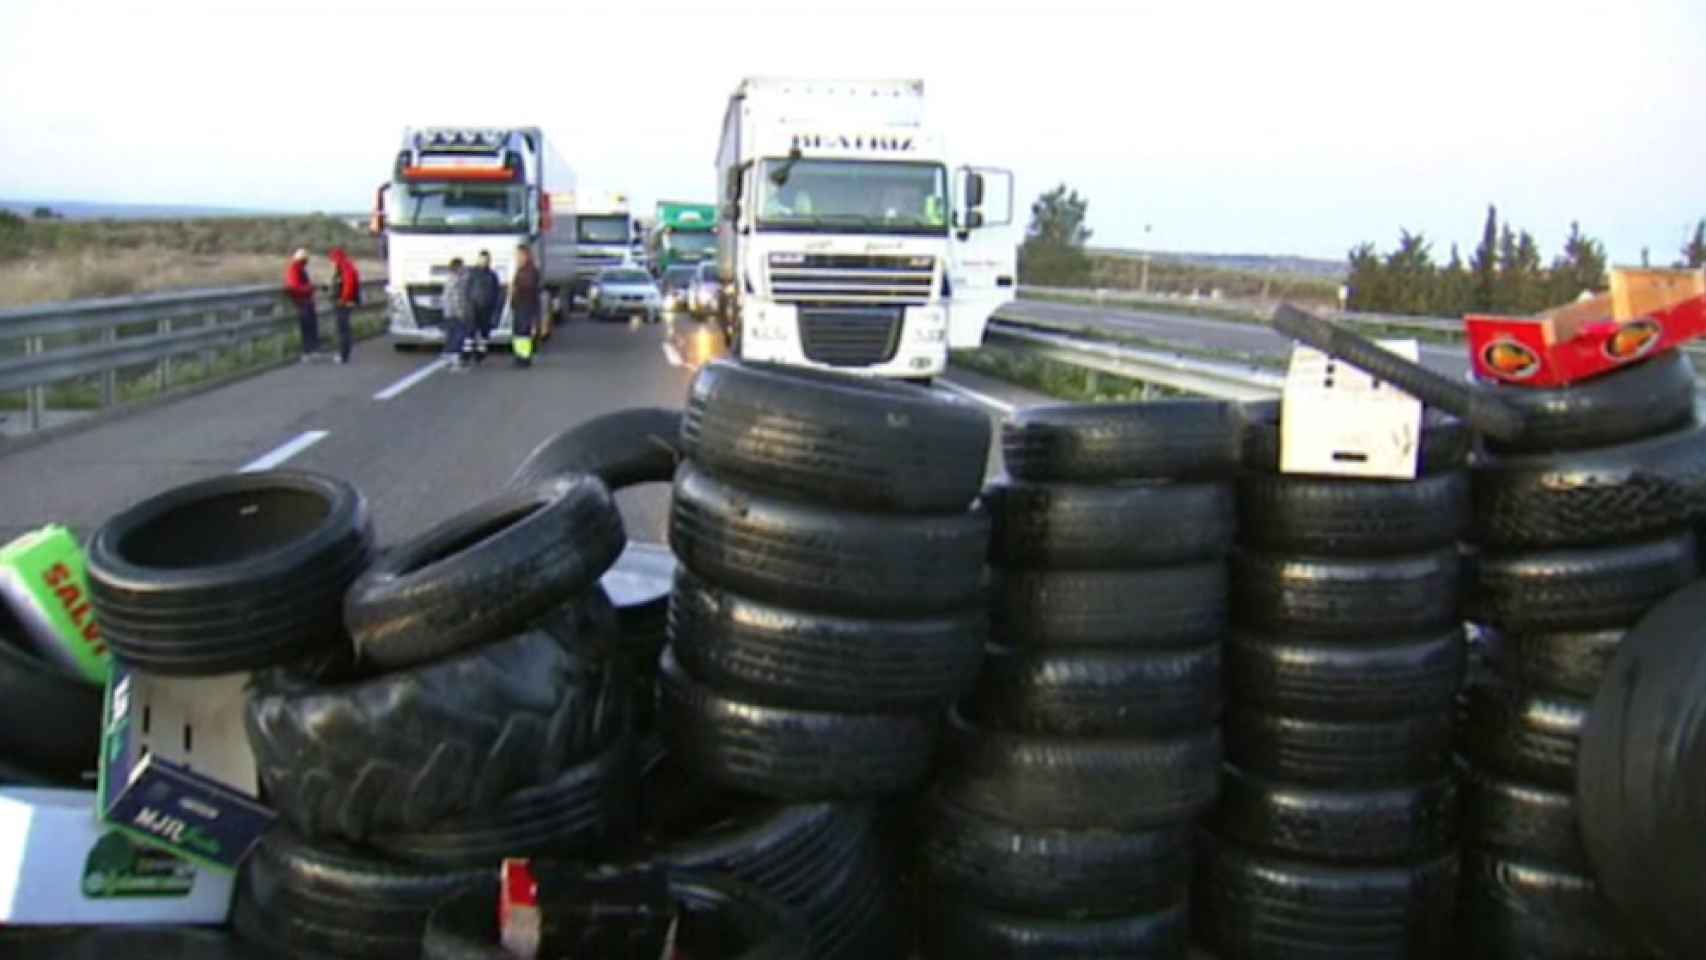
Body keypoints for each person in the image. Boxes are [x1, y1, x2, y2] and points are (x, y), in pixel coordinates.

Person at [326, 247, 360, 364]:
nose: (332, 262)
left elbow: (348, 285)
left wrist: (343, 299)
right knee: (344, 328)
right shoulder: (346, 266)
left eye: (333, 260)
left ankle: (343, 355)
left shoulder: (345, 267)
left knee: (342, 329)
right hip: (346, 301)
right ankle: (344, 353)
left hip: (343, 303)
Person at [284, 249, 320, 360]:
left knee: (311, 325)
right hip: (302, 302)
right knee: (306, 326)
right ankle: (307, 351)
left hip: (306, 301)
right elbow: (295, 287)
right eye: (305, 260)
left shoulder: (300, 269)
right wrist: (310, 288)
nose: (307, 262)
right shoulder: (294, 269)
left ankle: (312, 350)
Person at [509, 244, 541, 368]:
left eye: (519, 255)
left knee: (523, 333)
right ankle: (519, 356)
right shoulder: (520, 269)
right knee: (518, 333)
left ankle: (524, 357)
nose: (517, 258)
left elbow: (528, 287)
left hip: (526, 305)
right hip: (519, 305)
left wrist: (515, 288)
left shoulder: (530, 271)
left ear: (525, 256)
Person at [466, 250, 500, 364]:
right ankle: (467, 353)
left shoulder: (492, 275)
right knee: (470, 330)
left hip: (487, 307)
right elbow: (466, 289)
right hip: (473, 305)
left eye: (486, 260)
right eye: (482, 259)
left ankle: (481, 352)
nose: (484, 262)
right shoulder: (472, 273)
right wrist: (467, 303)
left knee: (485, 331)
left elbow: (496, 291)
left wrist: (494, 305)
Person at [442, 258, 472, 370]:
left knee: (450, 335)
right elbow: (456, 298)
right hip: (455, 313)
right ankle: (455, 358)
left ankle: (448, 356)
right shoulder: (455, 280)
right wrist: (461, 312)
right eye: (462, 267)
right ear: (457, 267)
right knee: (458, 335)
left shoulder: (450, 278)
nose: (463, 268)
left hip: (448, 312)